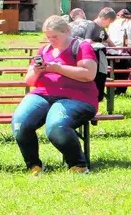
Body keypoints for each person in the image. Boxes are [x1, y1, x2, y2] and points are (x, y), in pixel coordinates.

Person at [13, 14, 100, 174]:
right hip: (42, 94)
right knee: (20, 123)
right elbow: (29, 81)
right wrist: (37, 71)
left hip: (77, 97)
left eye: (55, 36)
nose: (51, 40)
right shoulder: (44, 50)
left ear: (67, 31)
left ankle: (78, 165)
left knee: (56, 126)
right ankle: (34, 165)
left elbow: (89, 74)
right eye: (48, 37)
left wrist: (58, 68)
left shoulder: (81, 47)